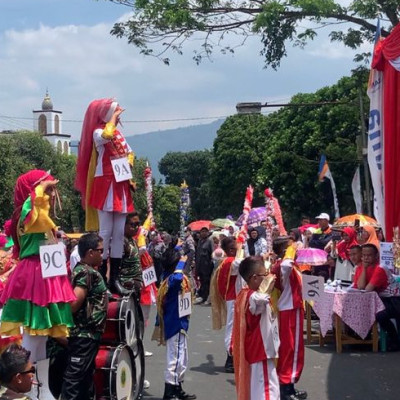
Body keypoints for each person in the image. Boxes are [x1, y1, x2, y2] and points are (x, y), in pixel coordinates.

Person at [0, 170, 75, 362]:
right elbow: (37, 218)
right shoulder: (29, 208)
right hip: (35, 274)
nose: (52, 193)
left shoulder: (36, 209)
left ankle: (40, 387)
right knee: (34, 333)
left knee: (41, 335)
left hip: (43, 272)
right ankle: (27, 381)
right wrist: (40, 189)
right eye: (48, 188)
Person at [75, 98, 135, 294]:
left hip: (121, 183)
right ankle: (101, 279)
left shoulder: (119, 134)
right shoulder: (99, 131)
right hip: (106, 183)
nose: (118, 116)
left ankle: (114, 281)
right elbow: (107, 135)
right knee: (106, 233)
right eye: (115, 112)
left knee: (119, 234)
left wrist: (130, 162)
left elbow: (130, 152)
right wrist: (114, 119)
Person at [60, 233, 108, 400]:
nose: (103, 254)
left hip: (88, 336)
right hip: (83, 337)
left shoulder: (85, 271)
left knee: (85, 382)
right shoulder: (86, 273)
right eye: (100, 251)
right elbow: (74, 305)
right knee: (74, 382)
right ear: (90, 252)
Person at [233, 256, 280, 400]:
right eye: (264, 274)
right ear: (254, 278)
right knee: (267, 391)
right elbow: (262, 299)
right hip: (261, 349)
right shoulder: (253, 297)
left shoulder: (244, 294)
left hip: (259, 349)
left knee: (261, 388)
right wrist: (268, 285)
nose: (268, 277)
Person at [157, 241, 196, 400]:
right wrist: (182, 261)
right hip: (175, 323)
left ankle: (177, 387)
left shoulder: (168, 275)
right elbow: (179, 277)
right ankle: (170, 391)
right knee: (175, 359)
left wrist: (179, 248)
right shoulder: (172, 279)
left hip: (180, 323)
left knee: (182, 358)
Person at [271, 238, 307, 400]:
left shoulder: (287, 265)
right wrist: (290, 251)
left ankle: (289, 384)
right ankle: (286, 388)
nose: (295, 248)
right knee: (291, 349)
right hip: (289, 309)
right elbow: (286, 266)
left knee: (291, 349)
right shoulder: (283, 265)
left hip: (292, 308)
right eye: (291, 246)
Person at [353, 244, 400, 351]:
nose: (365, 258)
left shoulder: (380, 268)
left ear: (376, 256)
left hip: (394, 300)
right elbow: (360, 287)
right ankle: (361, 337)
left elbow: (368, 289)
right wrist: (364, 269)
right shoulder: (361, 267)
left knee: (379, 314)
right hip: (380, 299)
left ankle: (395, 340)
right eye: (364, 255)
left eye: (369, 255)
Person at [211, 237, 240, 373]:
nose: (238, 248)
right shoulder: (231, 262)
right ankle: (230, 357)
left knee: (235, 327)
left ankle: (234, 356)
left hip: (234, 297)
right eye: (236, 247)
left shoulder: (228, 261)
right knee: (232, 328)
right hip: (233, 298)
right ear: (230, 249)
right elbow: (243, 264)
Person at [194, 227, 214, 304]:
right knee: (201, 281)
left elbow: (212, 253)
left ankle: (206, 297)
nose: (203, 233)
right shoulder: (199, 241)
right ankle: (202, 296)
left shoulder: (209, 241)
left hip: (207, 265)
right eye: (202, 232)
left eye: (205, 232)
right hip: (199, 264)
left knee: (206, 282)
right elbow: (197, 253)